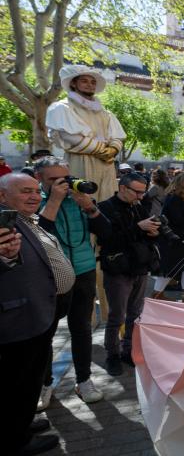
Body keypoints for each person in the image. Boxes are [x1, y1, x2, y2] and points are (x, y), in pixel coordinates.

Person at [0, 173, 74, 456]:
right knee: (16, 383)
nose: (34, 196)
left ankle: (22, 424)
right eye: (24, 191)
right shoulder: (4, 221)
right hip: (17, 317)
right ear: (3, 196)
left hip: (38, 314)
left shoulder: (24, 218)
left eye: (36, 191)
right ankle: (16, 441)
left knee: (30, 379)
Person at [34, 157, 107, 407]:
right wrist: (53, 200)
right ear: (39, 179)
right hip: (51, 276)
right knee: (46, 333)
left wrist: (90, 207)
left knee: (82, 329)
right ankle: (45, 384)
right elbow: (39, 232)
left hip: (84, 270)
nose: (61, 183)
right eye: (53, 179)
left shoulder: (77, 198)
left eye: (64, 177)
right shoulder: (34, 201)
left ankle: (84, 380)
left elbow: (106, 231)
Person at [93, 174, 159, 375]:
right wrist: (138, 227)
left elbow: (144, 236)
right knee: (116, 316)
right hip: (117, 269)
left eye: (143, 191)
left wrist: (154, 232)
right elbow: (108, 240)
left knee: (135, 314)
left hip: (139, 267)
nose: (140, 196)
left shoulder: (138, 206)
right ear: (122, 188)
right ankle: (112, 355)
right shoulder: (105, 208)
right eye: (137, 191)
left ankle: (127, 351)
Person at [45, 65, 126, 202]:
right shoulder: (62, 107)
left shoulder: (105, 113)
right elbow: (68, 136)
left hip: (106, 164)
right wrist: (102, 150)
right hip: (79, 162)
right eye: (84, 81)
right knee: (81, 199)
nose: (90, 85)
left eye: (93, 82)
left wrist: (113, 149)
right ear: (73, 83)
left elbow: (117, 135)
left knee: (106, 201)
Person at [155, 174, 184, 293]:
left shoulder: (176, 199)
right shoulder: (174, 199)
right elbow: (178, 219)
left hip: (180, 240)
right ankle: (157, 293)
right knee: (169, 269)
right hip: (174, 240)